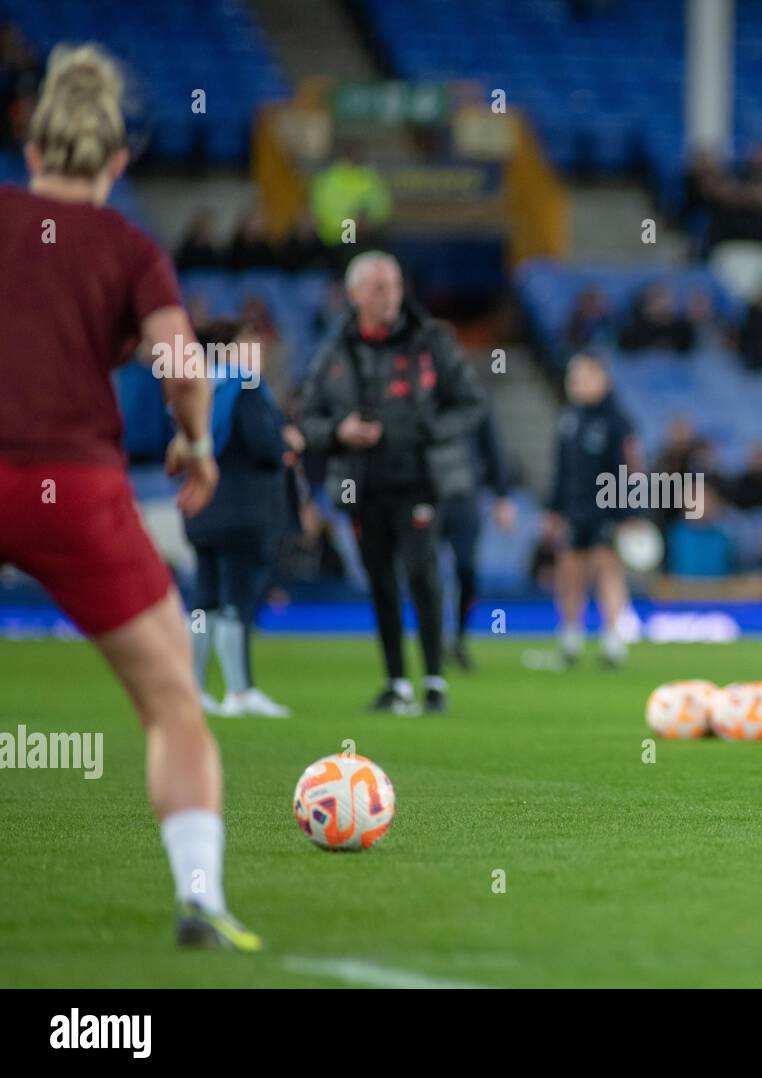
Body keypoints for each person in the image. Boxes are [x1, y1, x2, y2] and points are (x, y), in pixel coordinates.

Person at [0, 44, 260, 949]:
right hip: (74, 487)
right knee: (173, 705)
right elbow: (183, 365)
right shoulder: (128, 246)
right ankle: (201, 899)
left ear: (31, 151)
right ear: (117, 163)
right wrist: (194, 442)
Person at [299, 251, 486, 714]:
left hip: (420, 478)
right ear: (355, 293)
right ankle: (397, 682)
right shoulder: (335, 349)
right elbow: (306, 419)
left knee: (422, 573)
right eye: (380, 288)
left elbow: (471, 404)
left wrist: (419, 432)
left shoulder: (432, 340)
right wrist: (339, 433)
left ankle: (435, 681)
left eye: (396, 285)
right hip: (361, 483)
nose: (391, 296)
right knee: (380, 580)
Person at [186, 320, 297, 718]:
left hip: (201, 508)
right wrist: (285, 441)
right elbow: (265, 445)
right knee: (238, 599)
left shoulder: (196, 388)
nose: (259, 349)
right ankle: (240, 690)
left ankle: (195, 689)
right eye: (249, 342)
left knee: (204, 601)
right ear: (228, 349)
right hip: (241, 508)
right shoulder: (244, 387)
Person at [545, 353, 638, 666]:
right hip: (574, 509)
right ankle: (570, 639)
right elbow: (560, 470)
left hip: (606, 511)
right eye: (573, 378)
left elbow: (629, 470)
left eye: (584, 377)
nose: (577, 384)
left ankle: (613, 639)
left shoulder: (617, 422)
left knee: (606, 572)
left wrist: (627, 515)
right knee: (569, 573)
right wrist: (554, 510)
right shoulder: (568, 420)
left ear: (602, 379)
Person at [441, 407, 516, 670]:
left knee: (466, 568)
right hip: (427, 492)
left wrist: (502, 496)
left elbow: (492, 448)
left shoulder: (473, 400)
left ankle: (459, 637)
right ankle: (434, 637)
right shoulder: (421, 394)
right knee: (424, 570)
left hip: (465, 498)